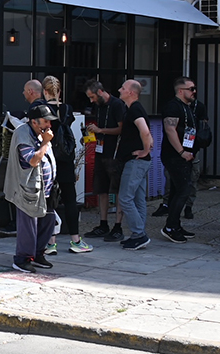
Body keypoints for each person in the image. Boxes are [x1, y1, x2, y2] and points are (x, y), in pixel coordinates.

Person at [6, 102, 60, 273]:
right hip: (28, 189)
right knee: (29, 225)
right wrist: (45, 142)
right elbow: (33, 160)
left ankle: (37, 253)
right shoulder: (23, 133)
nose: (49, 125)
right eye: (46, 121)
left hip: (46, 189)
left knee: (48, 220)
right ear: (34, 122)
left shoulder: (41, 133)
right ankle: (22, 259)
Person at [41, 77, 92, 254]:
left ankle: (51, 243)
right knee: (70, 199)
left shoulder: (41, 109)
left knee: (48, 200)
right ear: (59, 91)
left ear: (44, 91)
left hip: (48, 156)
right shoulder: (67, 109)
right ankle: (76, 241)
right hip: (66, 157)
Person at [83, 79, 125, 242]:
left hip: (114, 152)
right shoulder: (99, 106)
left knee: (117, 189)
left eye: (92, 97)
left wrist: (101, 130)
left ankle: (118, 225)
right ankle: (103, 223)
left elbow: (122, 128)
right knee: (101, 189)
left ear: (100, 92)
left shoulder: (117, 105)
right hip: (101, 150)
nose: (91, 101)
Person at [114, 80, 154, 250]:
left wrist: (145, 150)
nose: (119, 89)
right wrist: (147, 147)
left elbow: (145, 131)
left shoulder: (135, 109)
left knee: (125, 198)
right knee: (138, 199)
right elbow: (147, 134)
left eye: (123, 88)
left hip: (135, 161)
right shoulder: (133, 109)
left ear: (131, 92)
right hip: (139, 162)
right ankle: (138, 234)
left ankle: (139, 234)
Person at [159, 77, 200, 243]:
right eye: (191, 89)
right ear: (181, 91)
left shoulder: (187, 107)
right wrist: (181, 152)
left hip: (185, 154)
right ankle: (170, 227)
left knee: (178, 190)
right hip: (175, 156)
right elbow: (170, 130)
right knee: (184, 189)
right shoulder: (173, 106)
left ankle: (175, 224)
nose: (194, 92)